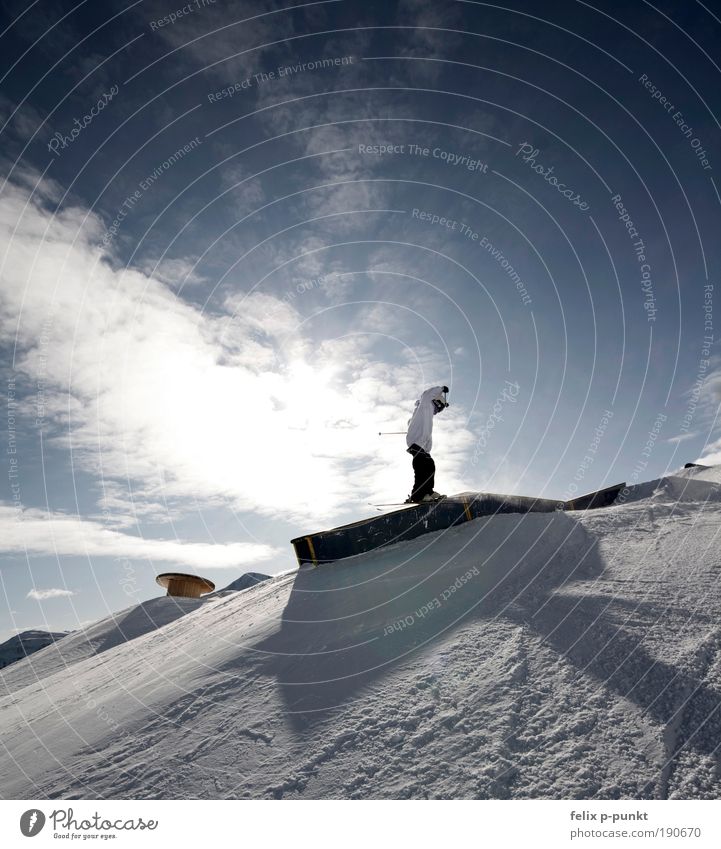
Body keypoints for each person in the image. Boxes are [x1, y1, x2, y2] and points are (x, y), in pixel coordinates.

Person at [405, 385, 449, 504]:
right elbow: (426, 394)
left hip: (422, 445)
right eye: (440, 407)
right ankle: (418, 495)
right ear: (437, 402)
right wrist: (441, 389)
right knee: (421, 466)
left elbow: (412, 421)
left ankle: (427, 491)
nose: (438, 411)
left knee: (430, 465)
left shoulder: (426, 412)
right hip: (416, 442)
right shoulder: (426, 404)